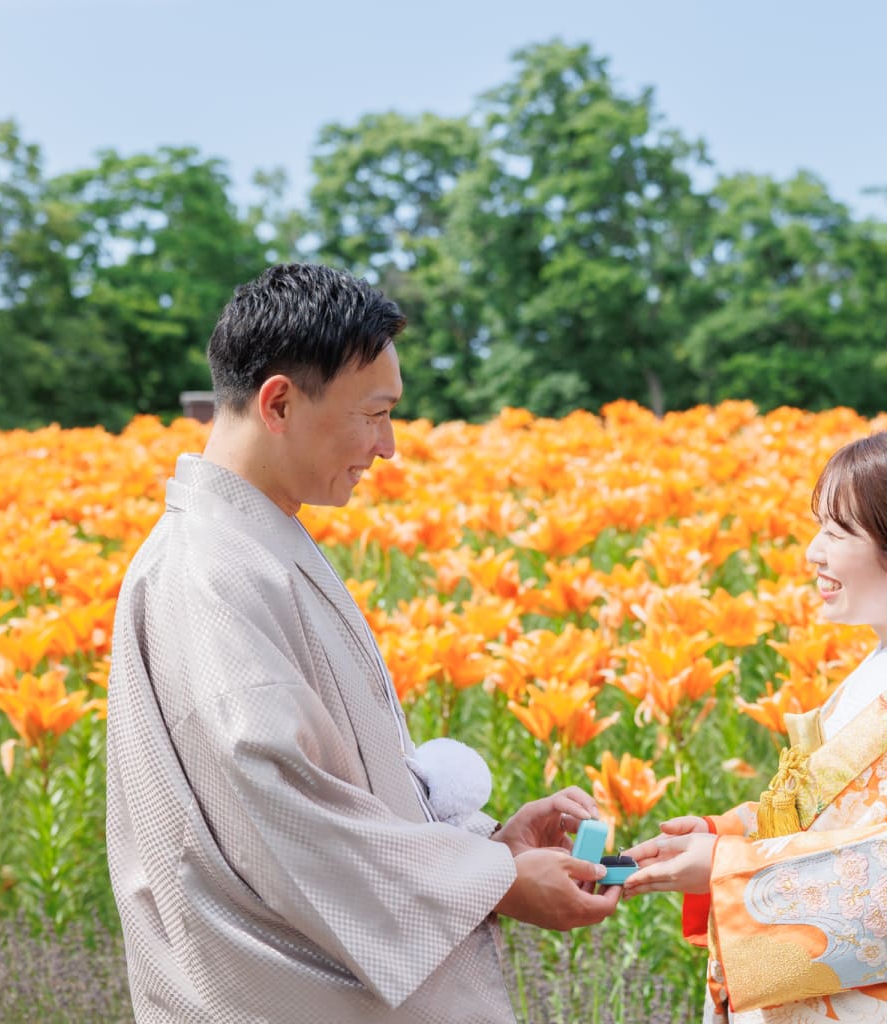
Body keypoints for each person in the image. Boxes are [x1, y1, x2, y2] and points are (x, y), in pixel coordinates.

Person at [105, 263, 621, 1024]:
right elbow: (281, 811)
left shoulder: (253, 542)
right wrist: (497, 880)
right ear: (279, 402)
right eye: (374, 414)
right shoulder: (211, 569)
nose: (388, 448)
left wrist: (492, 845)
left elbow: (336, 781)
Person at [622, 432, 887, 1023]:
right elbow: (830, 812)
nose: (813, 554)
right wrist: (726, 833)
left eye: (838, 533)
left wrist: (727, 865)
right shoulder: (870, 666)